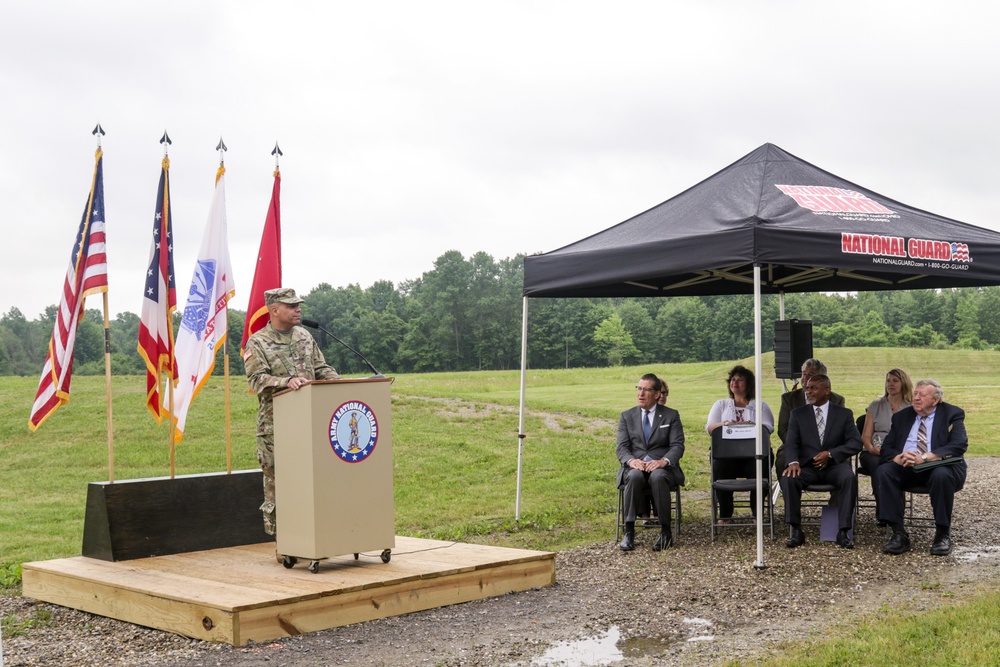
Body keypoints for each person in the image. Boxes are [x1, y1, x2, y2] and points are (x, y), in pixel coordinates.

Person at [244, 288, 341, 538]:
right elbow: (256, 381)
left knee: (313, 482)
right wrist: (286, 382)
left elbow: (320, 368)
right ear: (274, 310)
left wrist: (339, 384)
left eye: (298, 305)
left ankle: (316, 537)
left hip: (310, 423)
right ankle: (285, 541)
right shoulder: (257, 342)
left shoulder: (304, 336)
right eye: (291, 305)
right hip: (275, 428)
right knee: (281, 484)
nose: (298, 309)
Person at [875, 379, 967, 556]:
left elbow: (959, 444)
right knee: (884, 471)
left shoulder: (952, 413)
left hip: (939, 466)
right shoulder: (902, 417)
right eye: (915, 394)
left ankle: (942, 534)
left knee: (941, 475)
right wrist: (899, 457)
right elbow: (887, 448)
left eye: (922, 395)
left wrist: (924, 457)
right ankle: (898, 534)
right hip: (908, 468)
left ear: (936, 399)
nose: (916, 398)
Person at [779, 374, 862, 549]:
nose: (808, 392)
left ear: (827, 390)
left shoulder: (843, 414)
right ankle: (796, 530)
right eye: (807, 388)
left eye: (814, 388)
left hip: (834, 466)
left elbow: (856, 443)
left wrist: (830, 454)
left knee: (849, 478)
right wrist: (793, 462)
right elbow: (791, 442)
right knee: (789, 477)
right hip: (807, 467)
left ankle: (843, 531)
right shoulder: (798, 414)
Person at [617, 373, 685, 552]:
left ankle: (665, 533)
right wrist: (631, 461)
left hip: (661, 468)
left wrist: (664, 461)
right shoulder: (627, 416)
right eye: (639, 389)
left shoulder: (671, 415)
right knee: (633, 476)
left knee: (658, 477)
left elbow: (677, 446)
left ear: (656, 394)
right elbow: (622, 448)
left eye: (646, 390)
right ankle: (629, 532)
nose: (640, 393)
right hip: (636, 467)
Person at [705, 365, 775, 522]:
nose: (734, 383)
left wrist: (751, 424)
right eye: (732, 380)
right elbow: (709, 428)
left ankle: (757, 510)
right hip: (727, 456)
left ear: (748, 384)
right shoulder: (721, 405)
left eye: (740, 380)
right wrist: (725, 424)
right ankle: (725, 513)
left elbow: (768, 427)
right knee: (719, 467)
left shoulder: (760, 405)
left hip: (753, 455)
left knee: (762, 466)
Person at [775, 358, 846, 474]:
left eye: (811, 375)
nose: (805, 378)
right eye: (804, 374)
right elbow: (783, 429)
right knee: (783, 459)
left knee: (843, 467)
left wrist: (825, 451)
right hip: (796, 448)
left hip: (827, 448)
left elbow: (839, 431)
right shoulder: (789, 399)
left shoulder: (836, 400)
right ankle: (789, 491)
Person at [859, 369, 914, 507]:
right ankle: (888, 510)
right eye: (888, 380)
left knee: (893, 466)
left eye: (895, 381)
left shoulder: (912, 407)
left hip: (899, 452)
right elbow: (866, 435)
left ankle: (890, 512)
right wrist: (871, 449)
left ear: (904, 383)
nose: (890, 384)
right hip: (873, 452)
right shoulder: (875, 406)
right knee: (881, 466)